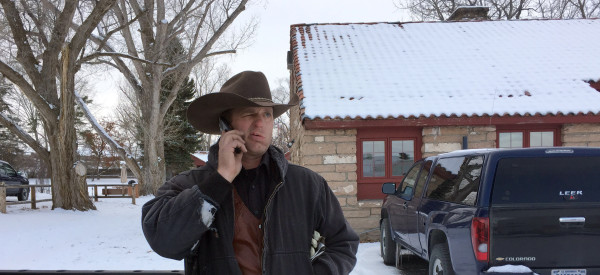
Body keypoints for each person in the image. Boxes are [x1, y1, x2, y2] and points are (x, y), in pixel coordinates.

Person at [141, 71, 359, 275]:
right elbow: (163, 241)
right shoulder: (190, 184)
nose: (260, 123)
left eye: (267, 114)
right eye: (249, 114)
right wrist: (219, 180)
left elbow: (343, 243)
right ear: (225, 125)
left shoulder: (308, 184)